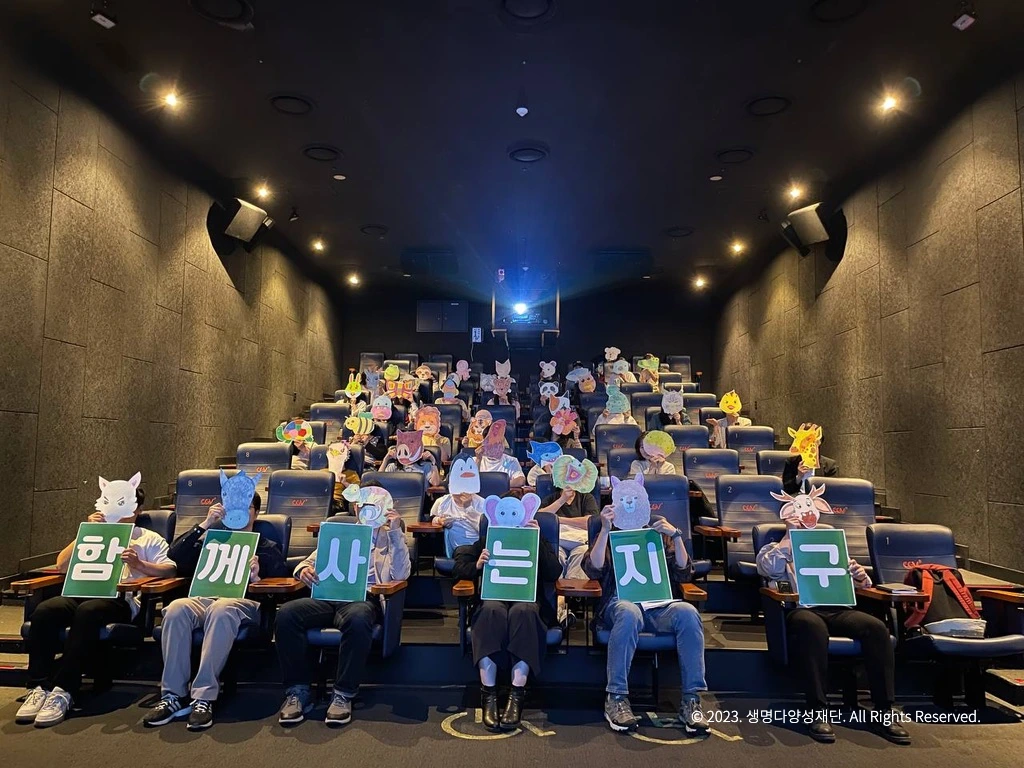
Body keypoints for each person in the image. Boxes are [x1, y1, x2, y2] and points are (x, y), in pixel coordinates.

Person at [18, 475, 176, 727]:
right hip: (81, 592)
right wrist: (86, 533)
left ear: (137, 510)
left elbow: (170, 570)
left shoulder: (148, 537)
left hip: (119, 599)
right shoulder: (91, 534)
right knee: (45, 610)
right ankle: (38, 686)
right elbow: (61, 565)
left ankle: (64, 689)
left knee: (88, 612)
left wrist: (140, 564)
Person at [755, 495, 909, 745]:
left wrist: (860, 577)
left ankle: (884, 710)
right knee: (811, 626)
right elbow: (768, 569)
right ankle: (817, 710)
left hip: (837, 608)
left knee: (876, 628)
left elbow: (861, 583)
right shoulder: (773, 547)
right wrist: (789, 537)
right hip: (802, 609)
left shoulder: (831, 546)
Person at [143, 495, 287, 731]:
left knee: (222, 609)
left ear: (256, 512)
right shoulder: (211, 540)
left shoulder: (265, 545)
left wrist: (257, 577)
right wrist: (205, 524)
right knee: (177, 608)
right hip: (204, 599)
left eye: (245, 507)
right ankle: (173, 695)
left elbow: (280, 581)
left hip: (244, 602)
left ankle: (204, 696)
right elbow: (175, 557)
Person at [276, 488, 411, 727]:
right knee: (287, 614)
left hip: (363, 597)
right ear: (356, 507)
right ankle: (297, 690)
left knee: (358, 618)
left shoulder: (388, 537)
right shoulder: (341, 532)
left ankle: (343, 693)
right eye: (362, 505)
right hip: (328, 596)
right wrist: (303, 570)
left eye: (373, 505)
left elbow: (401, 574)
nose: (366, 509)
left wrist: (394, 532)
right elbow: (308, 561)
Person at [583, 480, 707, 734]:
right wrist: (605, 530)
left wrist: (677, 536)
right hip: (620, 603)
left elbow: (684, 572)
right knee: (628, 612)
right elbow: (593, 569)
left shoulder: (658, 532)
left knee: (688, 613)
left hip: (657, 605)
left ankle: (691, 699)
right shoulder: (609, 532)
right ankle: (616, 697)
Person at [451, 495, 562, 731]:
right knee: (491, 610)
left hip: (527, 600)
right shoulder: (489, 538)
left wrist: (537, 539)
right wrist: (477, 565)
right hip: (495, 598)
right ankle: (488, 694)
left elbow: (554, 572)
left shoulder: (536, 537)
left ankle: (517, 693)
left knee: (524, 611)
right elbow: (459, 564)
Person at [539, 455, 600, 579]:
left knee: (582, 553)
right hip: (557, 540)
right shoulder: (551, 498)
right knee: (556, 554)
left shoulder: (586, 497)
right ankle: (557, 588)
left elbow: (589, 522)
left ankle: (574, 589)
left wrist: (559, 520)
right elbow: (541, 518)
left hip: (580, 541)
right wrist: (562, 499)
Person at [430, 457, 486, 555]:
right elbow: (432, 519)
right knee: (462, 552)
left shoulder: (482, 503)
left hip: (478, 548)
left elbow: (484, 530)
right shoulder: (442, 502)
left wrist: (468, 508)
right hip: (457, 550)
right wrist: (440, 521)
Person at [475, 420, 526, 487]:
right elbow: (470, 482)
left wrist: (499, 485)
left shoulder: (511, 461)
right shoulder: (474, 460)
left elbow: (521, 480)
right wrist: (478, 460)